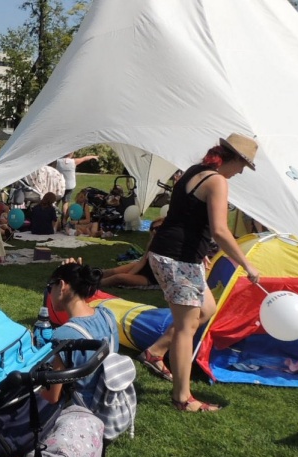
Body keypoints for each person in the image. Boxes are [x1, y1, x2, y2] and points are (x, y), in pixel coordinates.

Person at [139, 133, 261, 412]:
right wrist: (247, 264)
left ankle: (155, 352)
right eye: (244, 165)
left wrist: (200, 249)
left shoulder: (197, 171)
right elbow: (220, 230)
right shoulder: (217, 180)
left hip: (176, 254)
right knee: (186, 327)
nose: (242, 171)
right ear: (236, 159)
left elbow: (187, 217)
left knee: (205, 309)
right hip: (176, 258)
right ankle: (183, 398)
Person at [42, 262, 119, 407]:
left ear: (62, 286)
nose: (49, 293)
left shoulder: (64, 336)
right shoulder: (107, 315)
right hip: (109, 397)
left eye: (49, 287)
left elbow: (52, 396)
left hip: (83, 408)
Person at [100, 220, 163, 288]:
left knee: (118, 277)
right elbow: (143, 261)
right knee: (113, 271)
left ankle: (94, 284)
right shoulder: (151, 244)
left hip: (152, 277)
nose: (154, 231)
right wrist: (130, 274)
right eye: (152, 229)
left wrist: (126, 276)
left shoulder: (170, 246)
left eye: (157, 228)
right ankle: (91, 275)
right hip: (145, 267)